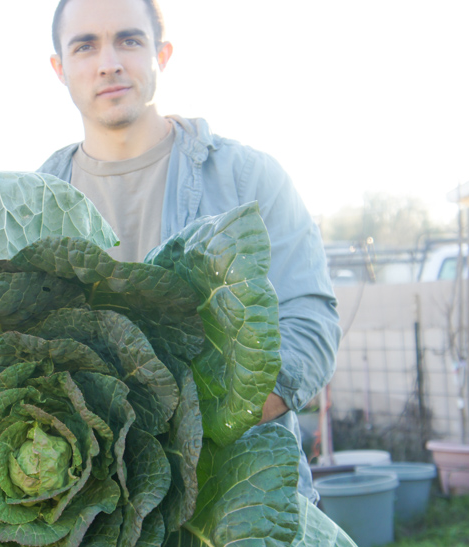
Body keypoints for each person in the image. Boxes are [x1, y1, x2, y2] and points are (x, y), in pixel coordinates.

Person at [39, 0, 341, 502]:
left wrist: (208, 426)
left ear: (163, 53)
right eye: (85, 45)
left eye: (129, 40)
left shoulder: (249, 179)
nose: (109, 61)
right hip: (92, 517)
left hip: (235, 500)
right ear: (59, 67)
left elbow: (309, 324)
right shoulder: (32, 206)